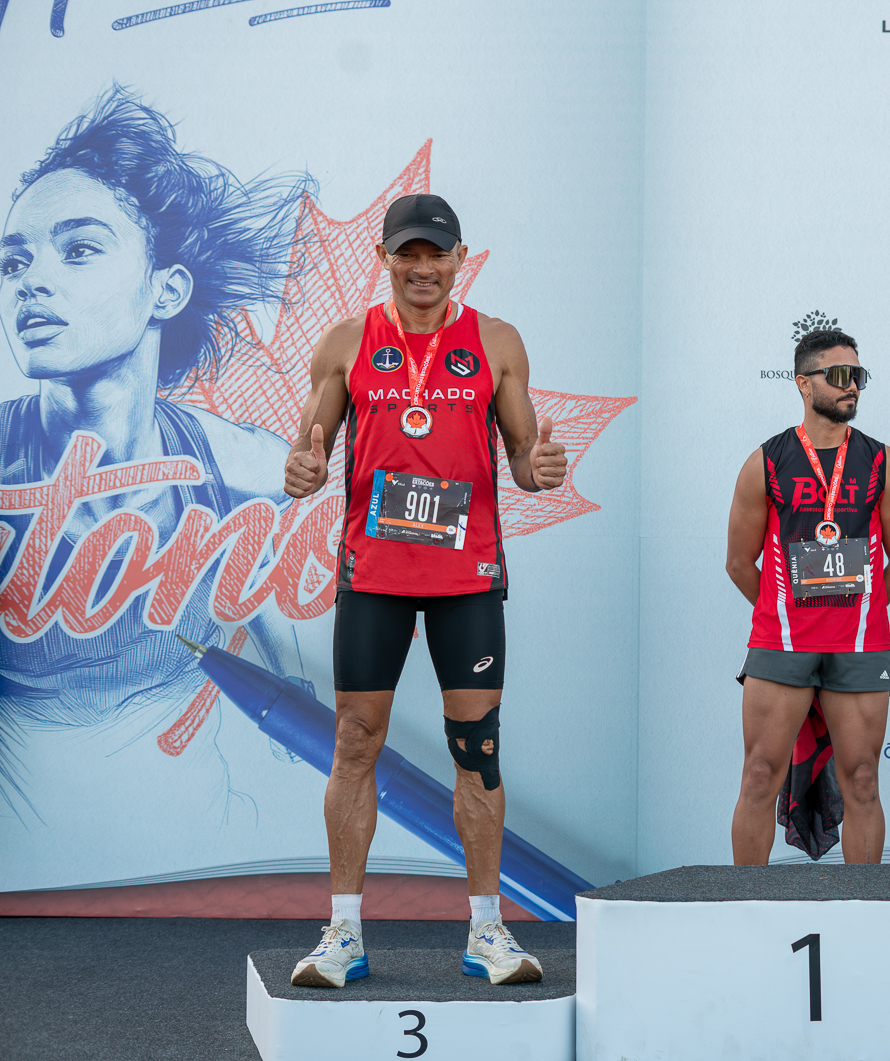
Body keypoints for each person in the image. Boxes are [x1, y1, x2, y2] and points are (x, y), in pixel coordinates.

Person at [0, 87, 313, 821]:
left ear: (166, 290)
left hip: (206, 832)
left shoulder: (242, 469)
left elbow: (301, 699)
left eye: (79, 249)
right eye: (13, 263)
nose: (30, 281)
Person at [281, 193, 569, 986]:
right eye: (406, 254)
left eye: (435, 254)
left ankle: (487, 930)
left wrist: (540, 468)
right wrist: (301, 472)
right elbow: (308, 452)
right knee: (354, 740)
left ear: (458, 258)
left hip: (464, 578)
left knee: (477, 747)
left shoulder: (496, 341)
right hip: (373, 575)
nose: (421, 268)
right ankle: (342, 932)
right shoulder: (346, 342)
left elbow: (523, 459)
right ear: (383, 257)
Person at [725, 329, 890, 865]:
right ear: (803, 384)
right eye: (838, 375)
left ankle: (863, 905)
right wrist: (785, 611)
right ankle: (747, 903)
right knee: (759, 775)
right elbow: (739, 564)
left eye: (858, 375)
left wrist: (856, 613)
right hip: (781, 644)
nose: (851, 385)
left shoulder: (883, 462)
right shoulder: (766, 461)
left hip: (859, 647)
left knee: (863, 780)